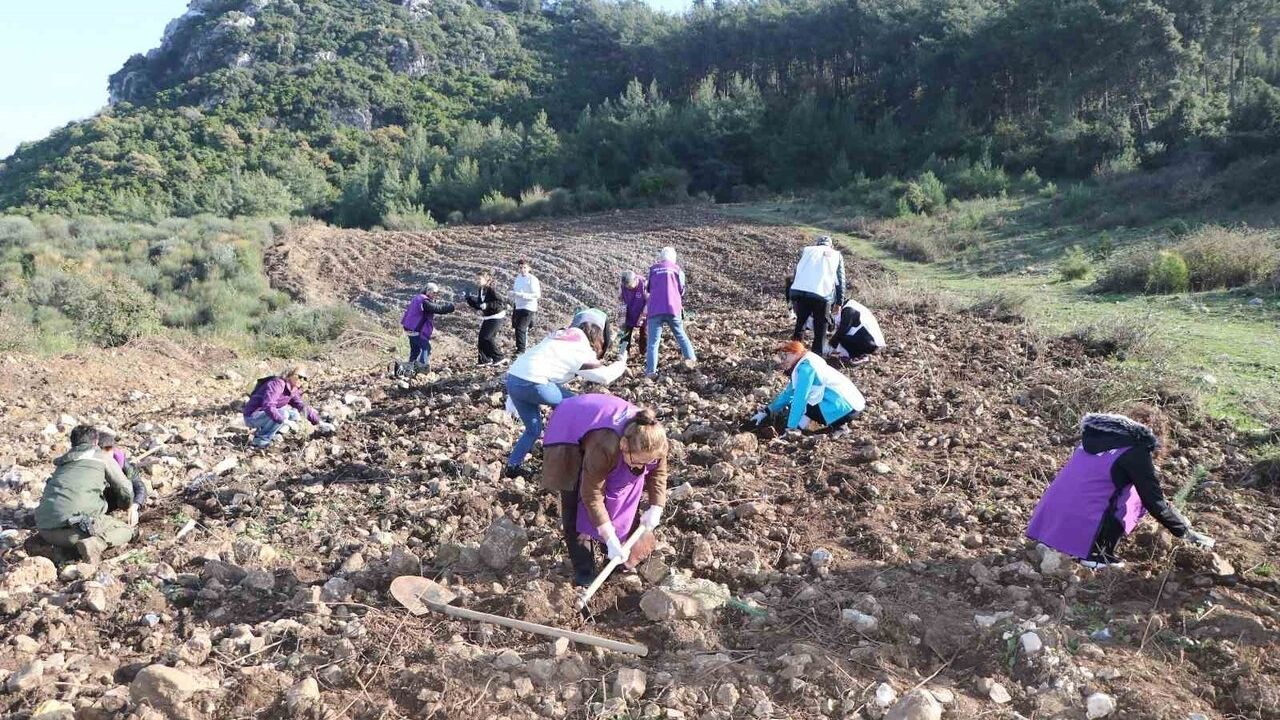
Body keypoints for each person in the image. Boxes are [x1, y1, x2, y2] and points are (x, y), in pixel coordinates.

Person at [1026, 407, 1216, 569]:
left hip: (1048, 526)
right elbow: (1154, 502)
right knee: (1134, 496)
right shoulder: (1136, 451)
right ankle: (1097, 554)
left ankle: (1061, 543)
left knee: (1108, 484)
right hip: (1085, 528)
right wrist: (1185, 533)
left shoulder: (1092, 439)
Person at [540, 394, 669, 586]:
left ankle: (617, 561)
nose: (642, 467)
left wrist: (656, 506)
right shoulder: (605, 445)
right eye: (638, 461)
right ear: (624, 445)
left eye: (647, 462)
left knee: (623, 496)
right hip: (569, 430)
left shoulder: (654, 440)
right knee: (574, 503)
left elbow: (658, 472)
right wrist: (609, 536)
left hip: (608, 435)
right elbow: (592, 494)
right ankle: (585, 572)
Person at [504, 310, 626, 477]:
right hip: (535, 383)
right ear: (598, 334)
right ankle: (575, 456)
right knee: (576, 406)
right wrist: (621, 363)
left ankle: (513, 466)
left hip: (514, 380)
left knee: (533, 429)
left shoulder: (560, 335)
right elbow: (604, 377)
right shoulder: (580, 346)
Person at [35, 425, 136, 563]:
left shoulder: (62, 464)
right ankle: (95, 544)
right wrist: (126, 506)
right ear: (96, 442)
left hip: (46, 532)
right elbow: (125, 488)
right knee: (125, 530)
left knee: (70, 531)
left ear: (73, 443)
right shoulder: (101, 457)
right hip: (77, 530)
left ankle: (61, 552)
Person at [753, 340, 865, 434]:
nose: (783, 361)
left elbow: (800, 398)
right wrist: (767, 410)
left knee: (803, 405)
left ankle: (798, 429)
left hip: (844, 408)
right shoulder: (808, 360)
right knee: (798, 405)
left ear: (795, 353)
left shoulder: (805, 368)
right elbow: (789, 393)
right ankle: (802, 427)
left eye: (785, 356)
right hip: (852, 405)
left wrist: (790, 427)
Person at [243, 366, 334, 448]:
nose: (301, 380)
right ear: (289, 375)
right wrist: (284, 421)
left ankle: (274, 431)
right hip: (252, 416)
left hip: (264, 415)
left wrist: (319, 422)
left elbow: (302, 407)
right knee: (283, 414)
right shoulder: (277, 384)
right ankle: (261, 439)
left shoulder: (293, 390)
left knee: (293, 414)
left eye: (304, 378)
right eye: (299, 376)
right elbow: (268, 405)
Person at [644, 247, 697, 377]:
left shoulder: (653, 269)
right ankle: (692, 361)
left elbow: (649, 288)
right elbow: (681, 290)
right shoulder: (678, 270)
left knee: (653, 343)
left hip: (655, 309)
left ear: (661, 257)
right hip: (673, 308)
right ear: (673, 258)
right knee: (681, 335)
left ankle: (651, 371)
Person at [789, 235, 845, 355]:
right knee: (820, 328)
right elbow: (840, 281)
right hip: (822, 295)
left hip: (801, 292)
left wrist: (792, 294)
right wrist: (839, 302)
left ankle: (794, 353)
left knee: (801, 323)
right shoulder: (836, 255)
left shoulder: (807, 250)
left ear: (817, 244)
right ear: (831, 246)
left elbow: (797, 271)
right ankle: (817, 355)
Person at [400, 283, 455, 372]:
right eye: (434, 293)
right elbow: (438, 309)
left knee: (415, 351)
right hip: (416, 330)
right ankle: (421, 368)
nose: (435, 295)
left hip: (410, 328)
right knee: (426, 348)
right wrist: (451, 307)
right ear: (428, 291)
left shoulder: (418, 298)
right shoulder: (424, 301)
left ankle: (409, 369)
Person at [97, 431, 147, 512]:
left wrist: (136, 505)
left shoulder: (121, 462)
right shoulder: (91, 464)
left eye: (109, 449)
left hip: (115, 501)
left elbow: (139, 486)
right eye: (103, 450)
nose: (107, 453)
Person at [466, 272, 507, 366]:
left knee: (487, 337)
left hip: (496, 315)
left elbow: (499, 302)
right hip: (488, 316)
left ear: (486, 279)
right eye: (476, 279)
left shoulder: (491, 289)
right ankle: (484, 360)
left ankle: (499, 357)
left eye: (479, 279)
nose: (477, 281)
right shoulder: (481, 289)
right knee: (481, 338)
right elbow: (479, 306)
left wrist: (487, 305)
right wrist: (468, 298)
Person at [829, 298, 885, 364]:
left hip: (870, 343)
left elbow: (842, 331)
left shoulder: (849, 309)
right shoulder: (850, 305)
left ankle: (860, 356)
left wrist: (830, 346)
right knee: (841, 337)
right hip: (868, 340)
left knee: (842, 337)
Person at [510, 260, 542, 355]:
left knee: (521, 328)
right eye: (520, 267)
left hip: (528, 306)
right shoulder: (518, 278)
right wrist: (512, 294)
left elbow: (537, 295)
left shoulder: (532, 279)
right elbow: (516, 290)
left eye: (524, 267)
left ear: (529, 268)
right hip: (518, 306)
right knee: (516, 327)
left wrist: (521, 295)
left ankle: (521, 351)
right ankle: (519, 348)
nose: (522, 269)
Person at [617, 270, 647, 360]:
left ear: (635, 280)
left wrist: (642, 316)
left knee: (645, 334)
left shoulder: (644, 284)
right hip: (629, 312)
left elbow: (649, 302)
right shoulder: (622, 286)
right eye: (626, 286)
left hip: (643, 312)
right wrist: (622, 317)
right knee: (625, 334)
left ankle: (644, 354)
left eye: (630, 286)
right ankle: (622, 353)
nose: (628, 288)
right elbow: (620, 300)